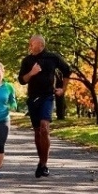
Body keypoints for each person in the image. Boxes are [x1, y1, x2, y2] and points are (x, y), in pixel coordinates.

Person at [18, 35, 71, 178]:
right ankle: (41, 162)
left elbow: (67, 70)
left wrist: (63, 89)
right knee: (37, 132)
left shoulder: (52, 57)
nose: (30, 46)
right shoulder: (27, 60)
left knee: (44, 127)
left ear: (40, 44)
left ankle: (44, 164)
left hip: (47, 97)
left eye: (32, 43)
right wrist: (32, 73)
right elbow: (22, 80)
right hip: (33, 99)